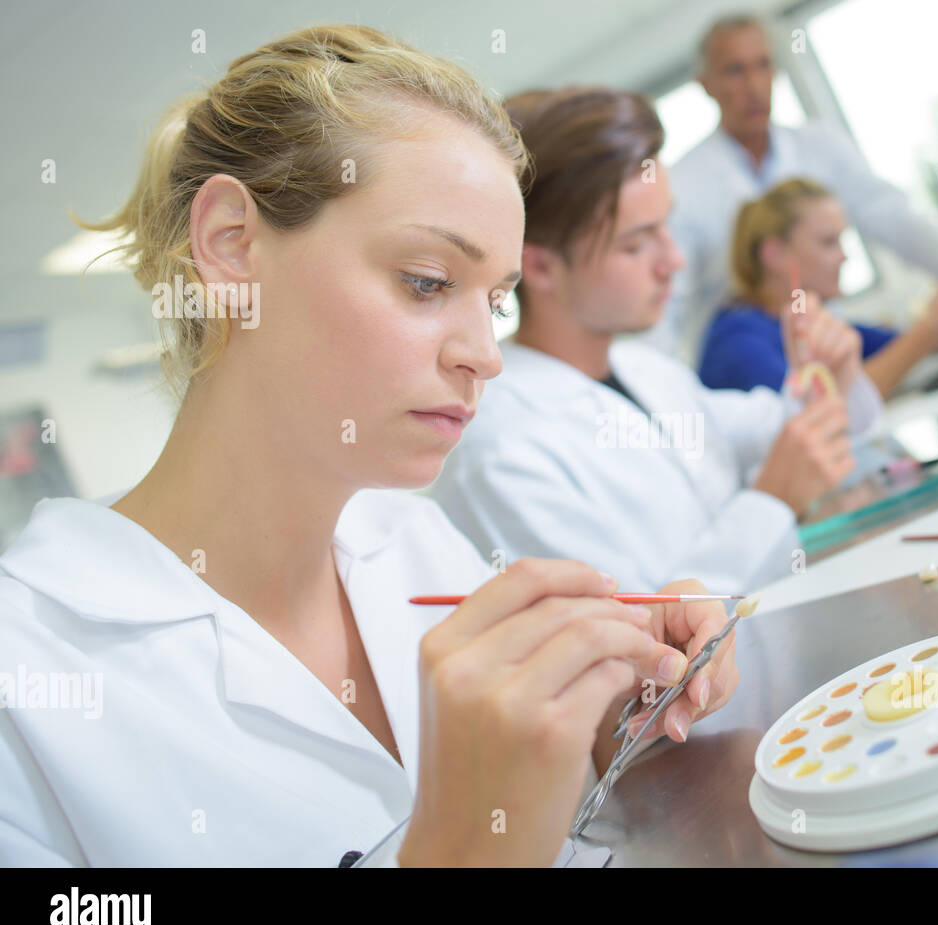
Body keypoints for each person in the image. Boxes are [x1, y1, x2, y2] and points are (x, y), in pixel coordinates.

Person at [0, 25, 738, 868]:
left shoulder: (413, 543)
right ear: (231, 245)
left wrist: (610, 727)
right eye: (427, 282)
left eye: (494, 303)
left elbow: (549, 823)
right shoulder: (27, 681)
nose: (486, 354)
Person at [431, 87, 882, 600]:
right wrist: (771, 502)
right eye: (637, 243)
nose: (673, 261)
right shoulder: (501, 455)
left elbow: (780, 426)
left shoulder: (647, 370)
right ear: (537, 265)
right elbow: (640, 643)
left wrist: (831, 375)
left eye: (666, 227)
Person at [652, 12, 938, 365]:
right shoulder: (682, 185)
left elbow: (898, 221)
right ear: (706, 85)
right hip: (751, 356)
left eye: (763, 65)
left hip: (824, 343)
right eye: (735, 70)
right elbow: (667, 300)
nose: (754, 85)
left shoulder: (820, 146)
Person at [699, 177, 938, 398]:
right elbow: (823, 412)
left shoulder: (808, 324)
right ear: (775, 254)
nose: (844, 256)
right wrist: (932, 328)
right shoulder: (737, 344)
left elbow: (889, 346)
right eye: (828, 243)